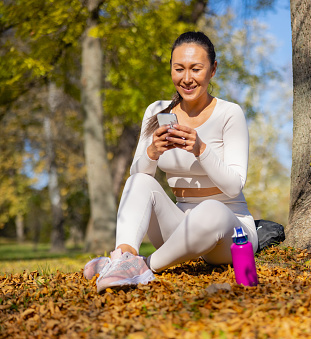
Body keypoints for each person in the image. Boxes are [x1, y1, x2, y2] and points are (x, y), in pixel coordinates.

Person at [83, 31, 258, 292]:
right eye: (179, 69)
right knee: (140, 180)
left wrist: (201, 149)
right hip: (178, 229)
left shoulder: (229, 113)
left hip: (230, 230)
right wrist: (152, 152)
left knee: (210, 210)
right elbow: (136, 180)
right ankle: (125, 255)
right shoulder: (156, 111)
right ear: (171, 70)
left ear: (212, 70)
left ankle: (140, 265)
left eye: (196, 69)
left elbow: (234, 186)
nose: (187, 78)